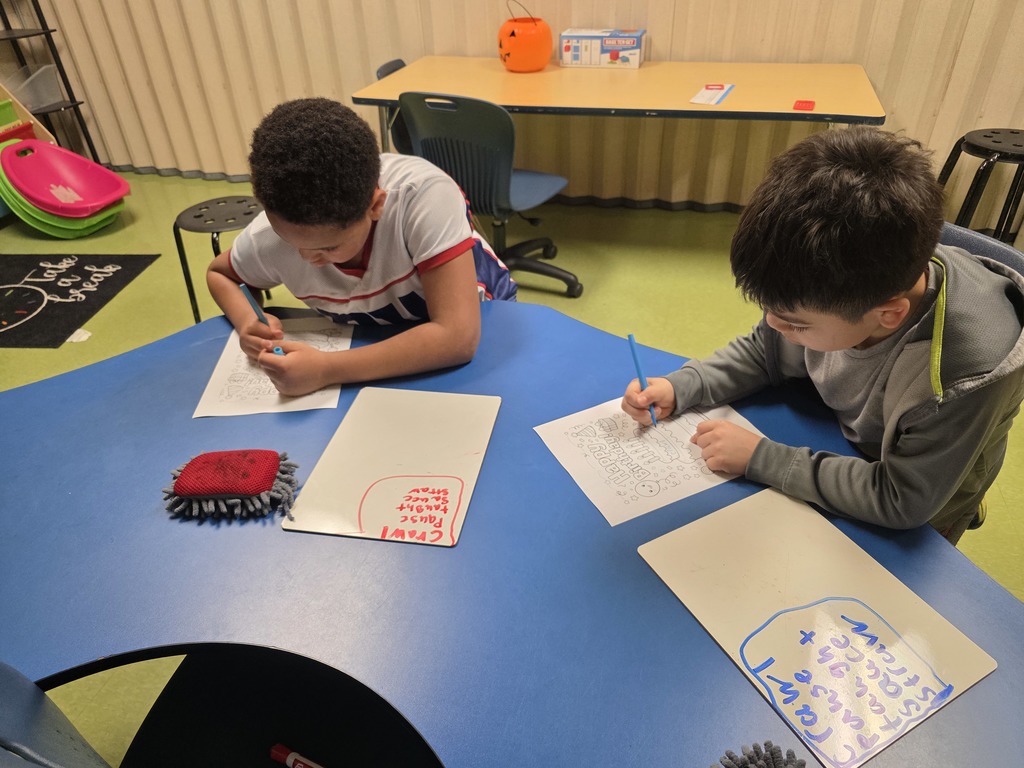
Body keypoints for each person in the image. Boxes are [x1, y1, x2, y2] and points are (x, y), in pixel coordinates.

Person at [622, 126, 1024, 544]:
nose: (775, 327)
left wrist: (762, 458)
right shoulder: (846, 287)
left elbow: (902, 499)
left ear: (888, 314)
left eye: (796, 323)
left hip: (929, 487)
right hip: (848, 438)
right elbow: (766, 350)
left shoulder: (962, 375)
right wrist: (684, 385)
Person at [207, 97, 516, 396]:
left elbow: (456, 338)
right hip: (374, 341)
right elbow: (221, 275)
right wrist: (248, 319)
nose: (307, 257)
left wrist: (326, 369)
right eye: (290, 242)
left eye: (329, 247)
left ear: (376, 206)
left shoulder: (421, 197)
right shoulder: (273, 233)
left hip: (483, 326)